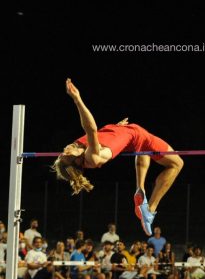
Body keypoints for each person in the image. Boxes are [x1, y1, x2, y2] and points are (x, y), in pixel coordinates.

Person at [52, 78, 184, 236]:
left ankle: (140, 189)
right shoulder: (91, 157)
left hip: (130, 134)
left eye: (62, 152)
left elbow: (105, 137)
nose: (65, 149)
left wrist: (117, 128)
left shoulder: (79, 149)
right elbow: (91, 129)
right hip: (137, 135)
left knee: (143, 150)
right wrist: (77, 99)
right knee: (177, 163)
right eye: (67, 155)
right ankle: (150, 209)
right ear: (78, 162)